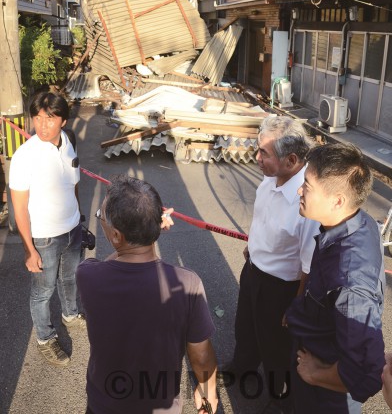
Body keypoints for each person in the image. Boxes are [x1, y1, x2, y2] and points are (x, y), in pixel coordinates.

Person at [76, 174, 218, 414]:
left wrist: (138, 238)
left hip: (104, 403)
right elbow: (201, 355)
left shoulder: (88, 276)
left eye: (101, 217)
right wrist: (207, 391)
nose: (99, 219)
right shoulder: (188, 284)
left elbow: (116, 259)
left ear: (117, 236)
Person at [286, 143, 385, 413]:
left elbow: (369, 371)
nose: (299, 191)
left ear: (337, 200)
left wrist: (314, 374)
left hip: (327, 395)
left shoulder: (351, 280)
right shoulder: (356, 222)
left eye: (307, 185)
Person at [228, 116, 319, 407]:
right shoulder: (269, 180)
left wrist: (296, 304)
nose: (256, 158)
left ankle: (279, 400)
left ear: (291, 159)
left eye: (263, 153)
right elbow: (263, 218)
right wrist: (253, 246)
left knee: (277, 349)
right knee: (245, 328)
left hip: (281, 288)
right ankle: (241, 368)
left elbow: (308, 264)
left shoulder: (307, 202)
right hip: (253, 269)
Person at [9, 91, 85, 367]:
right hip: (44, 237)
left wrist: (79, 217)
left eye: (49, 119)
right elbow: (19, 207)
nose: (41, 125)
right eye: (37, 118)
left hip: (72, 230)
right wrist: (30, 250)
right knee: (42, 292)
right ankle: (45, 337)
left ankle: (70, 314)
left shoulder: (68, 142)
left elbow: (74, 183)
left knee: (70, 278)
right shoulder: (24, 157)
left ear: (62, 121)